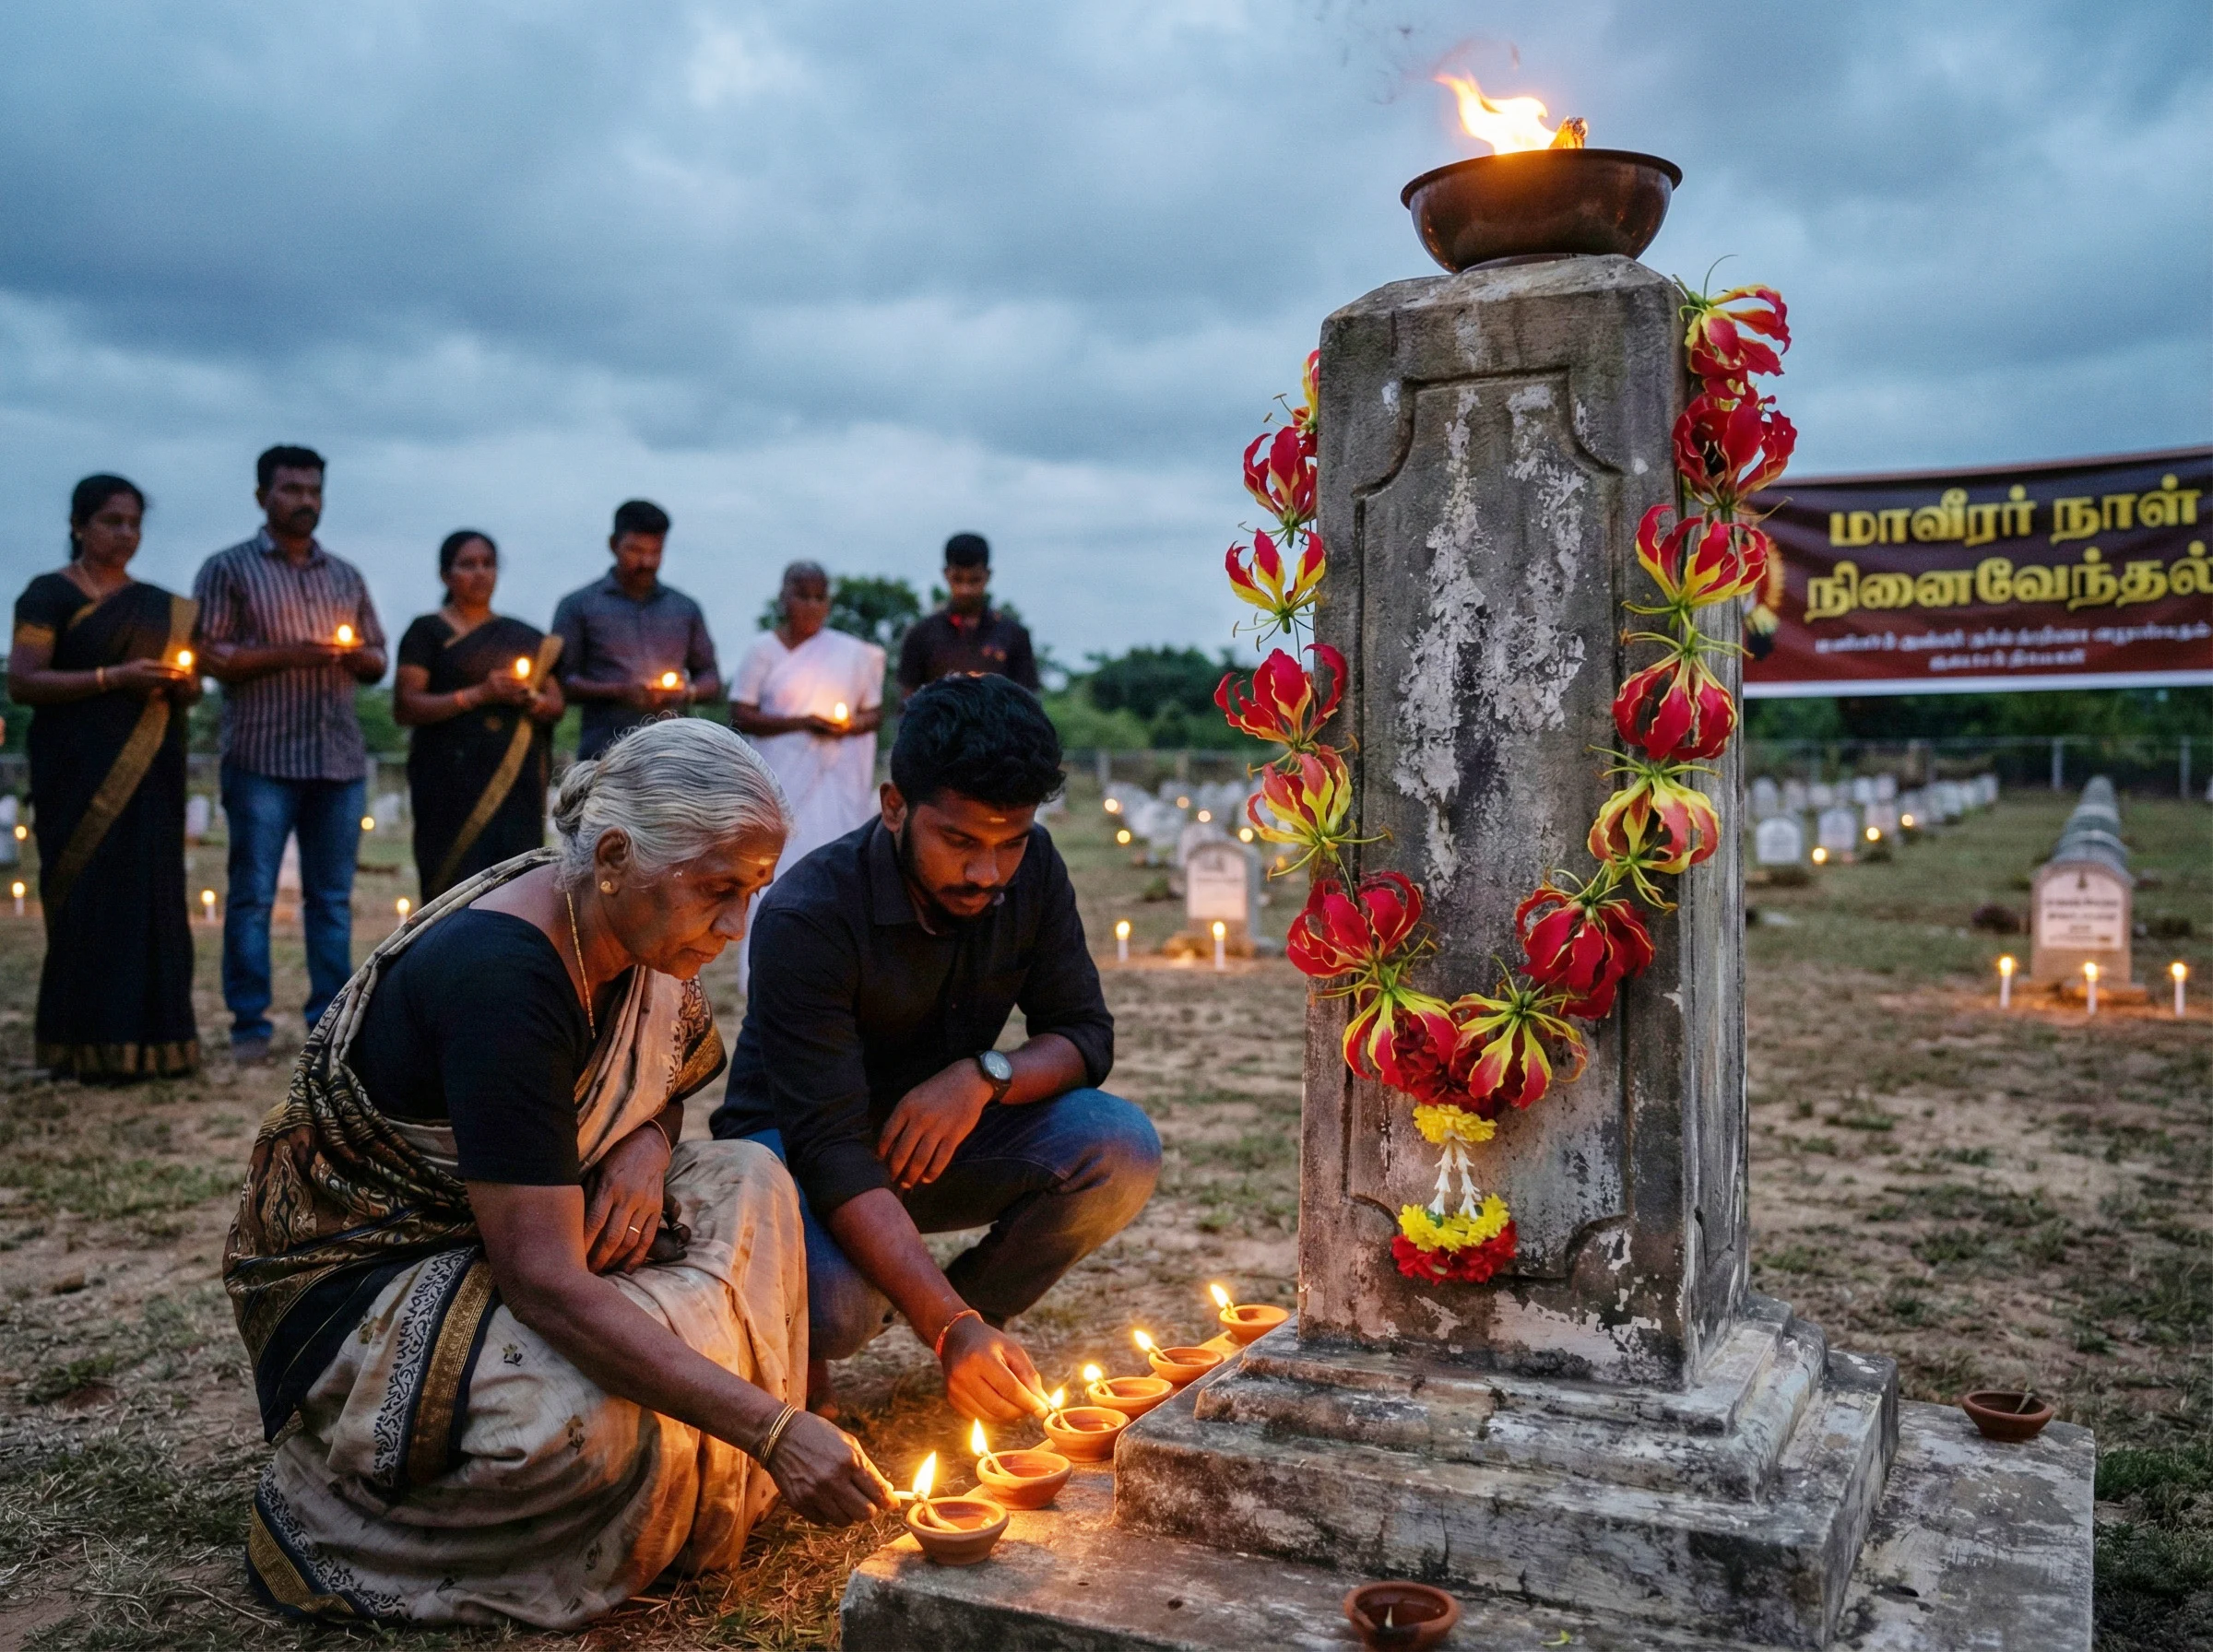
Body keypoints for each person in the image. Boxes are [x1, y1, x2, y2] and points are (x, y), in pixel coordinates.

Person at [224, 719, 893, 1628]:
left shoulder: (630, 930)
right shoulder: (508, 979)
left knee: (751, 1174)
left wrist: (642, 1149)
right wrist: (769, 1426)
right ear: (614, 854)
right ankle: (717, 1445)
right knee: (594, 1432)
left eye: (754, 893)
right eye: (719, 892)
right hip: (381, 1273)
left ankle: (712, 1430)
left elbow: (657, 1081)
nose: (734, 928)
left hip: (531, 1216)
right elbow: (542, 1281)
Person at [711, 674, 1158, 1418]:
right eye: (959, 841)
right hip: (792, 1155)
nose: (986, 873)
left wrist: (984, 1076)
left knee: (1120, 1145)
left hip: (940, 1143)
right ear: (894, 807)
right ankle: (856, 1325)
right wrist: (942, 1324)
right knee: (840, 1309)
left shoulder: (1036, 869)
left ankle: (973, 1317)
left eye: (1008, 843)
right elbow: (830, 1148)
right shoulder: (808, 916)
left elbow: (1085, 1035)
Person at [194, 446, 386, 1060]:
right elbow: (212, 656)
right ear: (262, 497)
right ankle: (250, 1024)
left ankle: (328, 1023)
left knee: (330, 899)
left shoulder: (344, 576)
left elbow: (378, 657)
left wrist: (358, 658)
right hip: (262, 756)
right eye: (292, 489)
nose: (305, 501)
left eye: (314, 491)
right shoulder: (230, 569)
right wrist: (295, 652)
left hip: (337, 757)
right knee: (251, 894)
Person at [8, 475, 200, 1079]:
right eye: (112, 522)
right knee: (86, 899)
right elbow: (23, 680)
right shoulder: (48, 595)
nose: (125, 534)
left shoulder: (161, 605)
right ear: (78, 525)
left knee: (150, 897)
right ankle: (80, 1047)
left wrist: (183, 684)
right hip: (75, 772)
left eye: (134, 523)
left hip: (151, 774)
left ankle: (158, 1047)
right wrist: (111, 679)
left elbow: (190, 686)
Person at [395, 531, 566, 902]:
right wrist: (479, 695)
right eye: (467, 564)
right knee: (451, 890)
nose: (480, 573)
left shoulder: (522, 636)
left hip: (514, 784)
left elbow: (556, 704)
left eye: (488, 564)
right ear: (445, 574)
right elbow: (407, 705)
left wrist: (529, 699)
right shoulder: (426, 633)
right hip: (446, 782)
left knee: (514, 887)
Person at [728, 560, 884, 885]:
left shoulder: (852, 652)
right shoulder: (762, 650)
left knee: (833, 860)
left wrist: (848, 727)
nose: (813, 605)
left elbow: (873, 713)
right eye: (803, 596)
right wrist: (802, 723)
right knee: (777, 859)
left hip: (835, 781)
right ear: (784, 597)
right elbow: (740, 714)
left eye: (820, 597)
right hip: (780, 775)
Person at [552, 499, 720, 761]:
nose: (647, 561)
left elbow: (711, 678)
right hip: (605, 753)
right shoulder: (579, 605)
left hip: (673, 754)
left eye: (656, 551)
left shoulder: (685, 608)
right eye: (635, 550)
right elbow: (563, 682)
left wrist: (687, 692)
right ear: (613, 545)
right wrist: (619, 691)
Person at [895, 532, 1040, 699]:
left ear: (987, 576)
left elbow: (1028, 703)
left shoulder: (1014, 635)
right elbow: (907, 703)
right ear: (946, 574)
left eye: (974, 580)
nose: (965, 589)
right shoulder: (921, 634)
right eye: (958, 579)